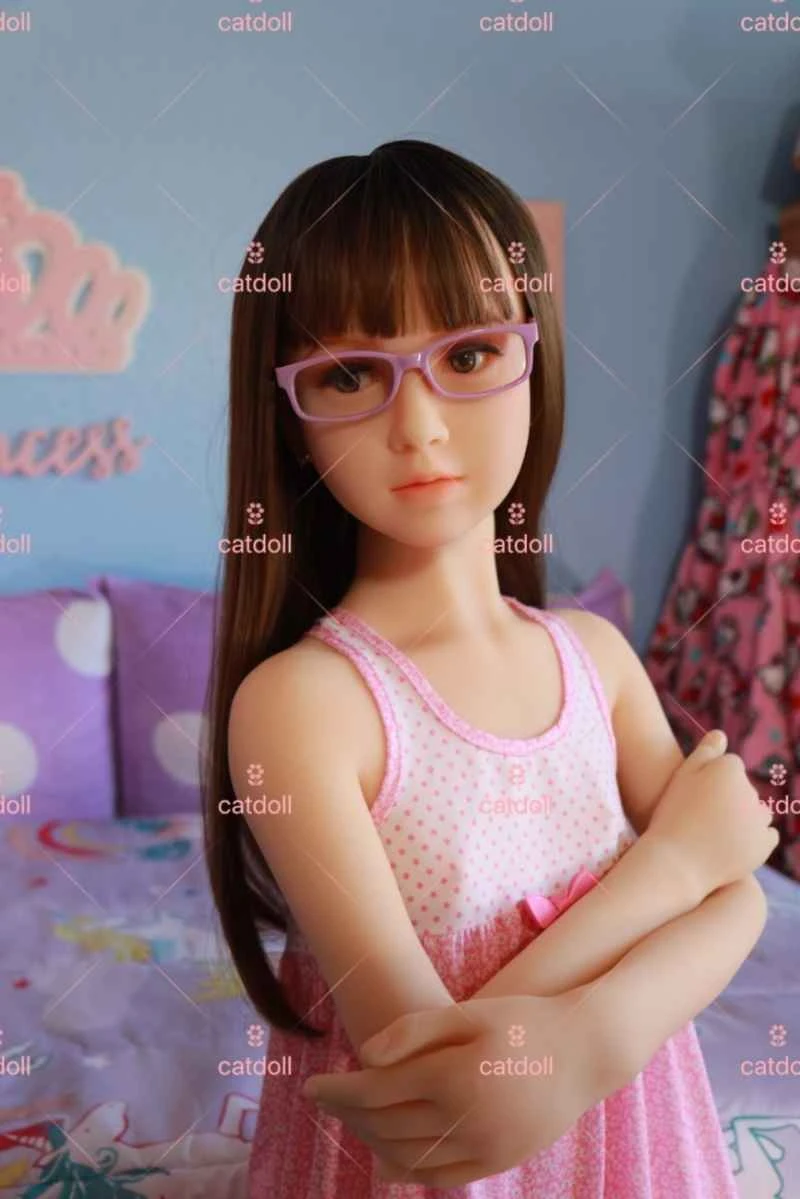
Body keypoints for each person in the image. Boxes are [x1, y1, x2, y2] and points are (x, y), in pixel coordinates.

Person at [202, 138, 778, 1197]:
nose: (418, 427)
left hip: (636, 1151)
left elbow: (737, 882)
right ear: (289, 419)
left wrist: (605, 1034)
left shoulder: (594, 658)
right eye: (348, 375)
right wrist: (664, 877)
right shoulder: (305, 705)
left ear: (532, 357)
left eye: (467, 355)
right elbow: (420, 1067)